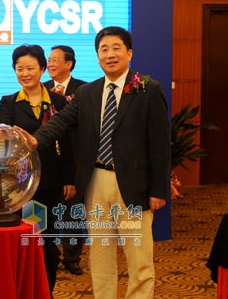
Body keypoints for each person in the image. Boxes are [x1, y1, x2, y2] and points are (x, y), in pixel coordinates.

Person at [16, 26, 170, 299]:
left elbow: (159, 145)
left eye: (116, 48)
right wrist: (35, 140)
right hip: (96, 182)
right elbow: (61, 121)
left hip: (134, 186)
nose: (110, 54)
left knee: (139, 255)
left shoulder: (148, 89)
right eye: (103, 49)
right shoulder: (87, 92)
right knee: (100, 252)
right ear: (97, 56)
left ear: (129, 52)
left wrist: (159, 189)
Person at [0, 44, 71, 297]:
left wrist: (69, 179)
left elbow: (69, 144)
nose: (25, 73)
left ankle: (45, 292)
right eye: (20, 69)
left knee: (47, 243)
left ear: (42, 69)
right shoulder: (8, 103)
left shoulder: (59, 101)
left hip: (50, 183)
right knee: (26, 241)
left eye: (30, 68)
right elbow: (7, 145)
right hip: (22, 185)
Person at [44, 45, 86, 275]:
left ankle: (72, 257)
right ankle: (49, 253)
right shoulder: (40, 89)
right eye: (48, 60)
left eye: (54, 60)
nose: (50, 64)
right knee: (48, 209)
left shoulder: (83, 89)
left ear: (69, 64)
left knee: (73, 210)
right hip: (49, 159)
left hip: (73, 156)